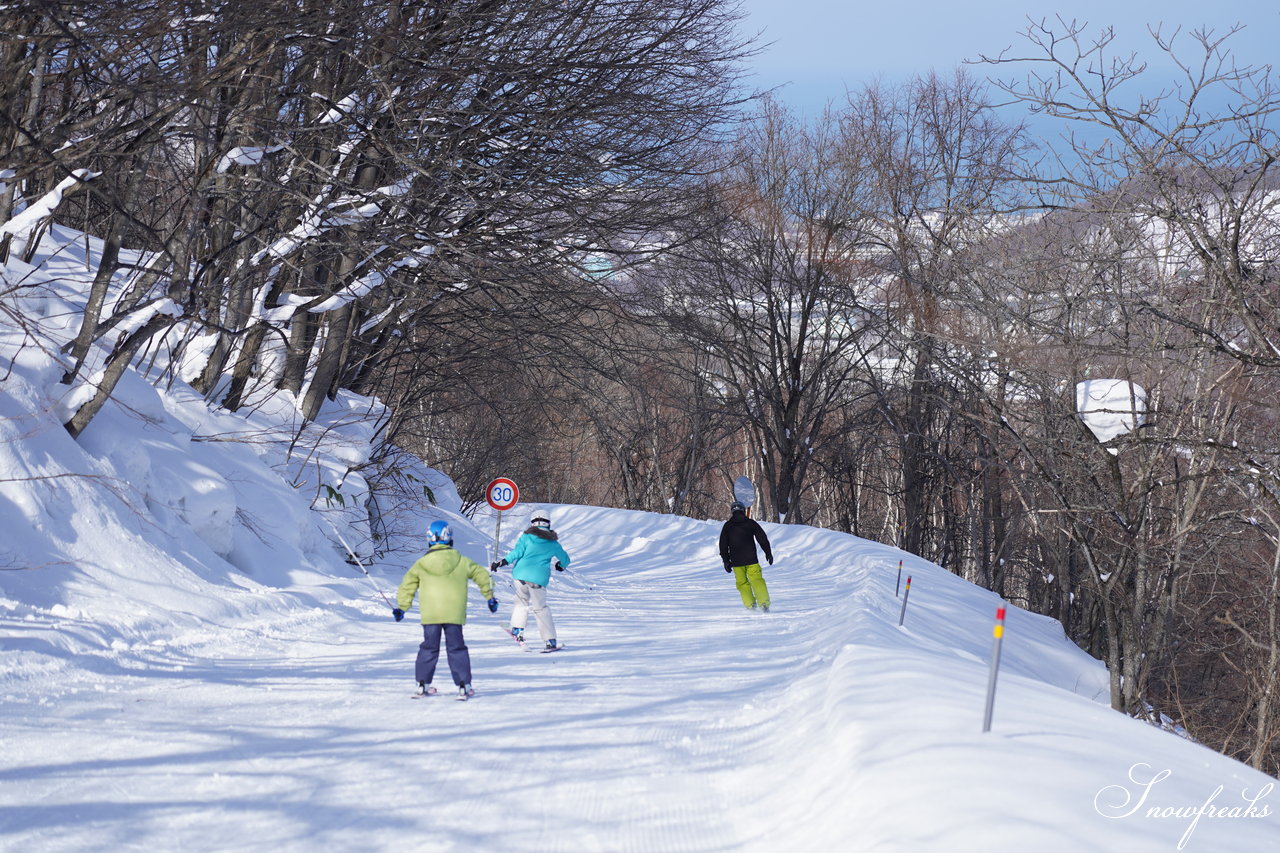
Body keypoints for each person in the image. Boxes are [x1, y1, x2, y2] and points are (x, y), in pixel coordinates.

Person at [393, 519, 497, 700]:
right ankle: (464, 685)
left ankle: (422, 684)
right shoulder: (461, 561)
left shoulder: (421, 564)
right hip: (454, 613)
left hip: (431, 614)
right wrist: (489, 596)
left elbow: (407, 585)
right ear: (449, 538)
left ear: (429, 539)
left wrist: (402, 607)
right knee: (456, 648)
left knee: (428, 648)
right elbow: (481, 574)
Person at [490, 510, 571, 651]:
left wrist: (501, 563)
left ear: (532, 522)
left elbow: (516, 553)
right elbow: (565, 559)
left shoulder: (526, 537)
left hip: (520, 575)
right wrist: (561, 566)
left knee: (521, 603)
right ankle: (550, 641)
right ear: (548, 523)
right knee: (540, 609)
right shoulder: (553, 543)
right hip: (538, 579)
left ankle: (517, 630)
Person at [719, 500, 774, 612]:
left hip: (736, 562)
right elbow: (762, 538)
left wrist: (726, 561)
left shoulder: (728, 526)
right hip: (751, 560)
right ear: (743, 511)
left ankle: (750, 606)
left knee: (742, 584)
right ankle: (763, 603)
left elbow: (723, 545)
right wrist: (768, 552)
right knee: (757, 581)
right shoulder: (750, 523)